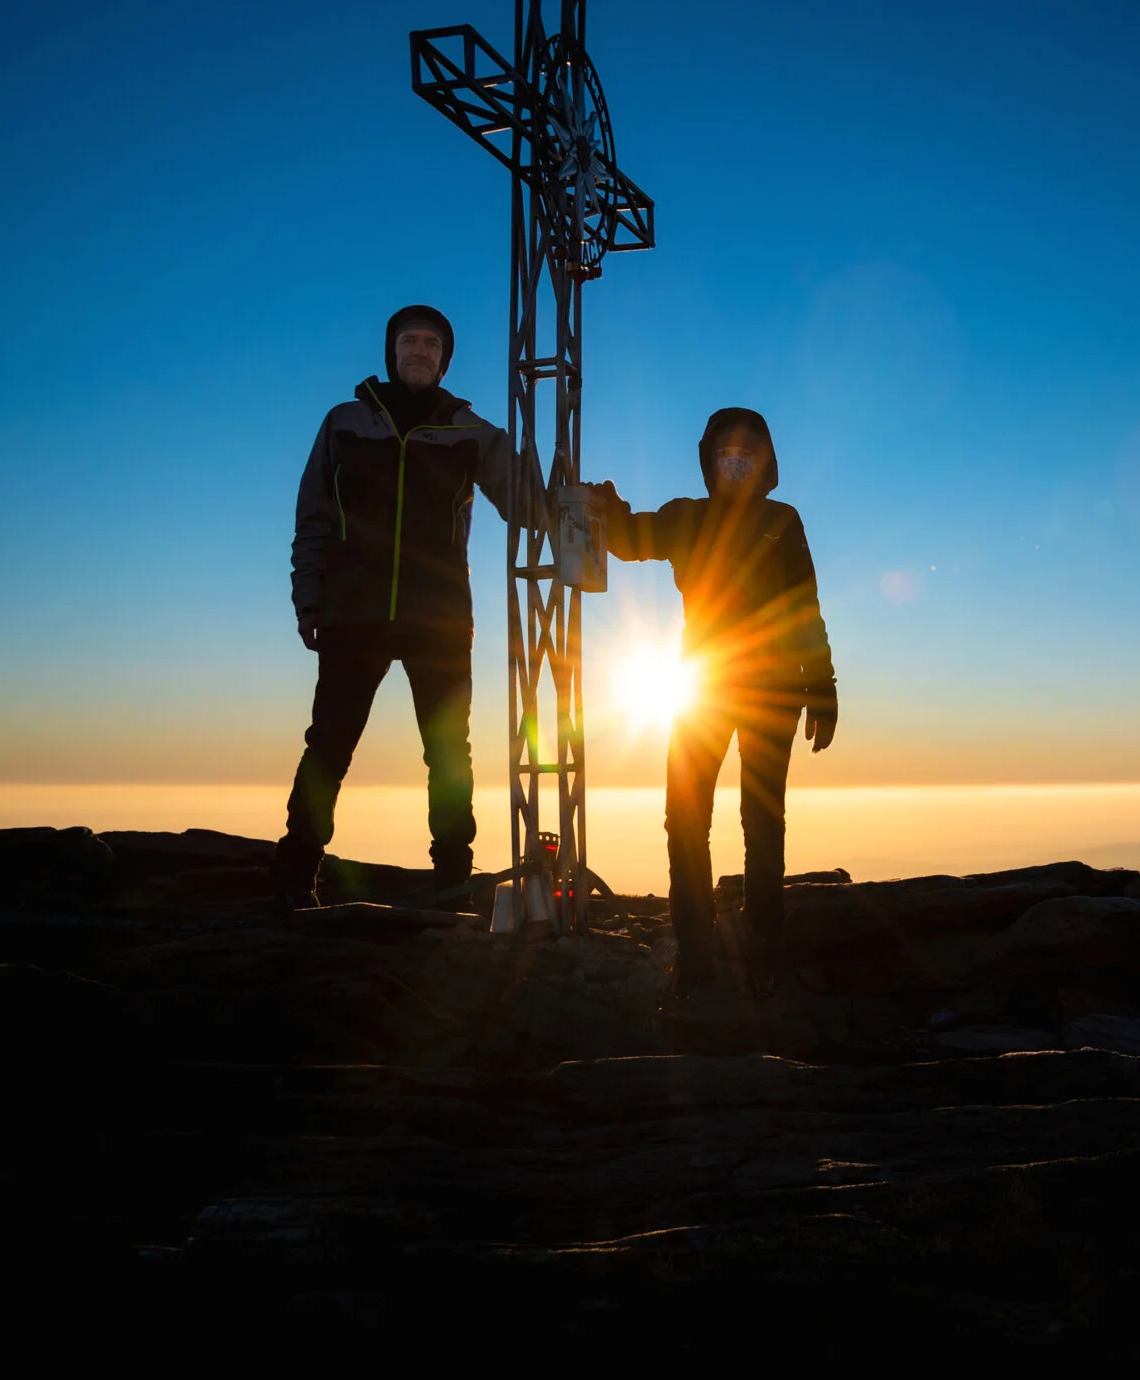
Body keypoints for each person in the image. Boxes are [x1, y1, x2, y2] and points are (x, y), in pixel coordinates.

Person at [277, 305, 542, 911]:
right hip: (352, 612)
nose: (420, 351)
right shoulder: (345, 422)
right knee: (329, 745)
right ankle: (294, 878)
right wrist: (307, 600)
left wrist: (581, 500)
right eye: (409, 341)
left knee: (449, 752)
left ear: (444, 357)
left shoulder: (469, 432)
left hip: (440, 617)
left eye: (431, 343)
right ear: (391, 352)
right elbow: (312, 516)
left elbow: (529, 506)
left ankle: (451, 881)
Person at [594, 408, 837, 995]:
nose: (737, 461)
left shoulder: (783, 520)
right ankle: (697, 960)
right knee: (685, 821)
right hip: (702, 688)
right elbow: (630, 542)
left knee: (762, 824)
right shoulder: (687, 517)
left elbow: (804, 605)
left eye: (749, 453)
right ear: (709, 460)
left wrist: (822, 685)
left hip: (771, 692)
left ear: (766, 464)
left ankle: (764, 956)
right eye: (727, 452)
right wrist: (609, 507)